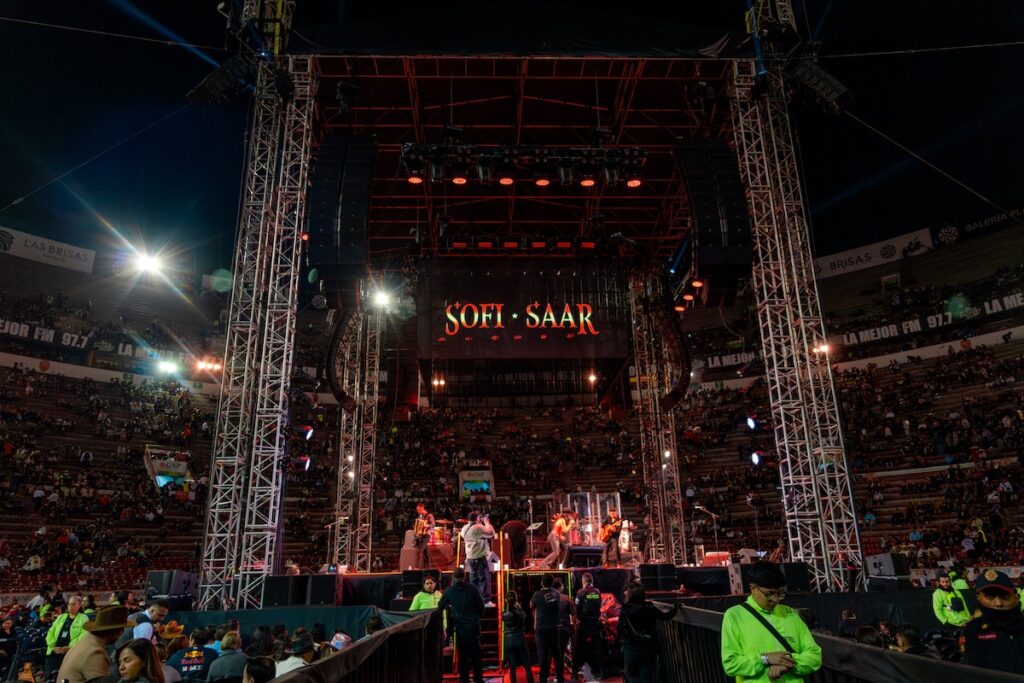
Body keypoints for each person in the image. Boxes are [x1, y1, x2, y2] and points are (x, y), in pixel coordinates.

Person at [720, 561, 821, 682]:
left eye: (780, 594)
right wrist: (765, 659)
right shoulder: (734, 616)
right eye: (770, 594)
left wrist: (788, 664)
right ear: (753, 588)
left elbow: (815, 655)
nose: (775, 600)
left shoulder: (790, 614)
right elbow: (731, 664)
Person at [961, 568, 1024, 673]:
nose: (998, 603)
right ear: (979, 598)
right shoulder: (972, 630)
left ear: (1016, 596)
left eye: (1005, 596)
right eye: (990, 597)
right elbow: (971, 672)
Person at [620, 582, 678, 683]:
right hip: (648, 647)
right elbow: (667, 616)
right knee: (646, 676)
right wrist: (676, 607)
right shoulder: (649, 608)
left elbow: (621, 629)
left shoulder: (625, 609)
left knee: (630, 674)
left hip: (631, 647)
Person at [57, 605, 131, 683]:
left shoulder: (87, 640)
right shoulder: (95, 653)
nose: (121, 633)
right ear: (111, 630)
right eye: (120, 629)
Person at [438, 567, 485, 683]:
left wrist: (451, 610)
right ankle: (478, 679)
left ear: (453, 578)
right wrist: (476, 617)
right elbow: (482, 607)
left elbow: (440, 606)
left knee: (463, 658)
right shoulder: (473, 589)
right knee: (476, 657)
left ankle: (464, 680)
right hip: (474, 627)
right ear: (465, 577)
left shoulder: (449, 591)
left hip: (460, 629)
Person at [45, 595, 88, 680]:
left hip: (70, 652)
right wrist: (53, 646)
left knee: (65, 678)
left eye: (73, 604)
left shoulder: (84, 618)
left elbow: (84, 635)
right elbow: (50, 632)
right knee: (50, 676)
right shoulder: (61, 617)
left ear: (79, 606)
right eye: (69, 604)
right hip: (55, 650)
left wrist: (69, 647)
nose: (70, 606)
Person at [531, 574, 565, 683]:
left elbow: (531, 605)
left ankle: (543, 678)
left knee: (543, 654)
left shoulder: (537, 595)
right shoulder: (557, 593)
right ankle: (560, 678)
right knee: (557, 653)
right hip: (554, 627)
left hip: (541, 628)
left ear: (542, 582)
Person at [573, 573, 604, 681]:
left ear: (583, 581)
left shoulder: (580, 592)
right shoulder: (597, 592)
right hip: (595, 625)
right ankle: (598, 672)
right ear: (592, 581)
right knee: (596, 648)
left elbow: (576, 608)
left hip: (584, 626)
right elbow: (600, 605)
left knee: (579, 648)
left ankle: (577, 670)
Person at [461, 513, 495, 606]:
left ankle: (475, 600)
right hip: (479, 557)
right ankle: (486, 601)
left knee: (474, 580)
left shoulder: (464, 528)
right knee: (483, 578)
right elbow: (491, 533)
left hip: (470, 558)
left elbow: (475, 536)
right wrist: (486, 523)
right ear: (477, 518)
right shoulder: (477, 527)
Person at [501, 590, 534, 683]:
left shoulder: (504, 614)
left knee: (512, 668)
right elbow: (524, 617)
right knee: (527, 666)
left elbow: (505, 618)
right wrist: (519, 607)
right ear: (516, 599)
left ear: (506, 600)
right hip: (519, 639)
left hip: (509, 640)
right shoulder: (519, 612)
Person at [413, 503, 436, 570]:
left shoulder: (429, 515)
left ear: (422, 508)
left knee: (420, 551)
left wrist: (427, 525)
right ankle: (428, 568)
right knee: (426, 553)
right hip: (421, 535)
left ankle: (418, 567)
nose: (417, 511)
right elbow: (419, 524)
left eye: (418, 510)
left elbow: (433, 524)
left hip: (426, 535)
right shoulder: (420, 516)